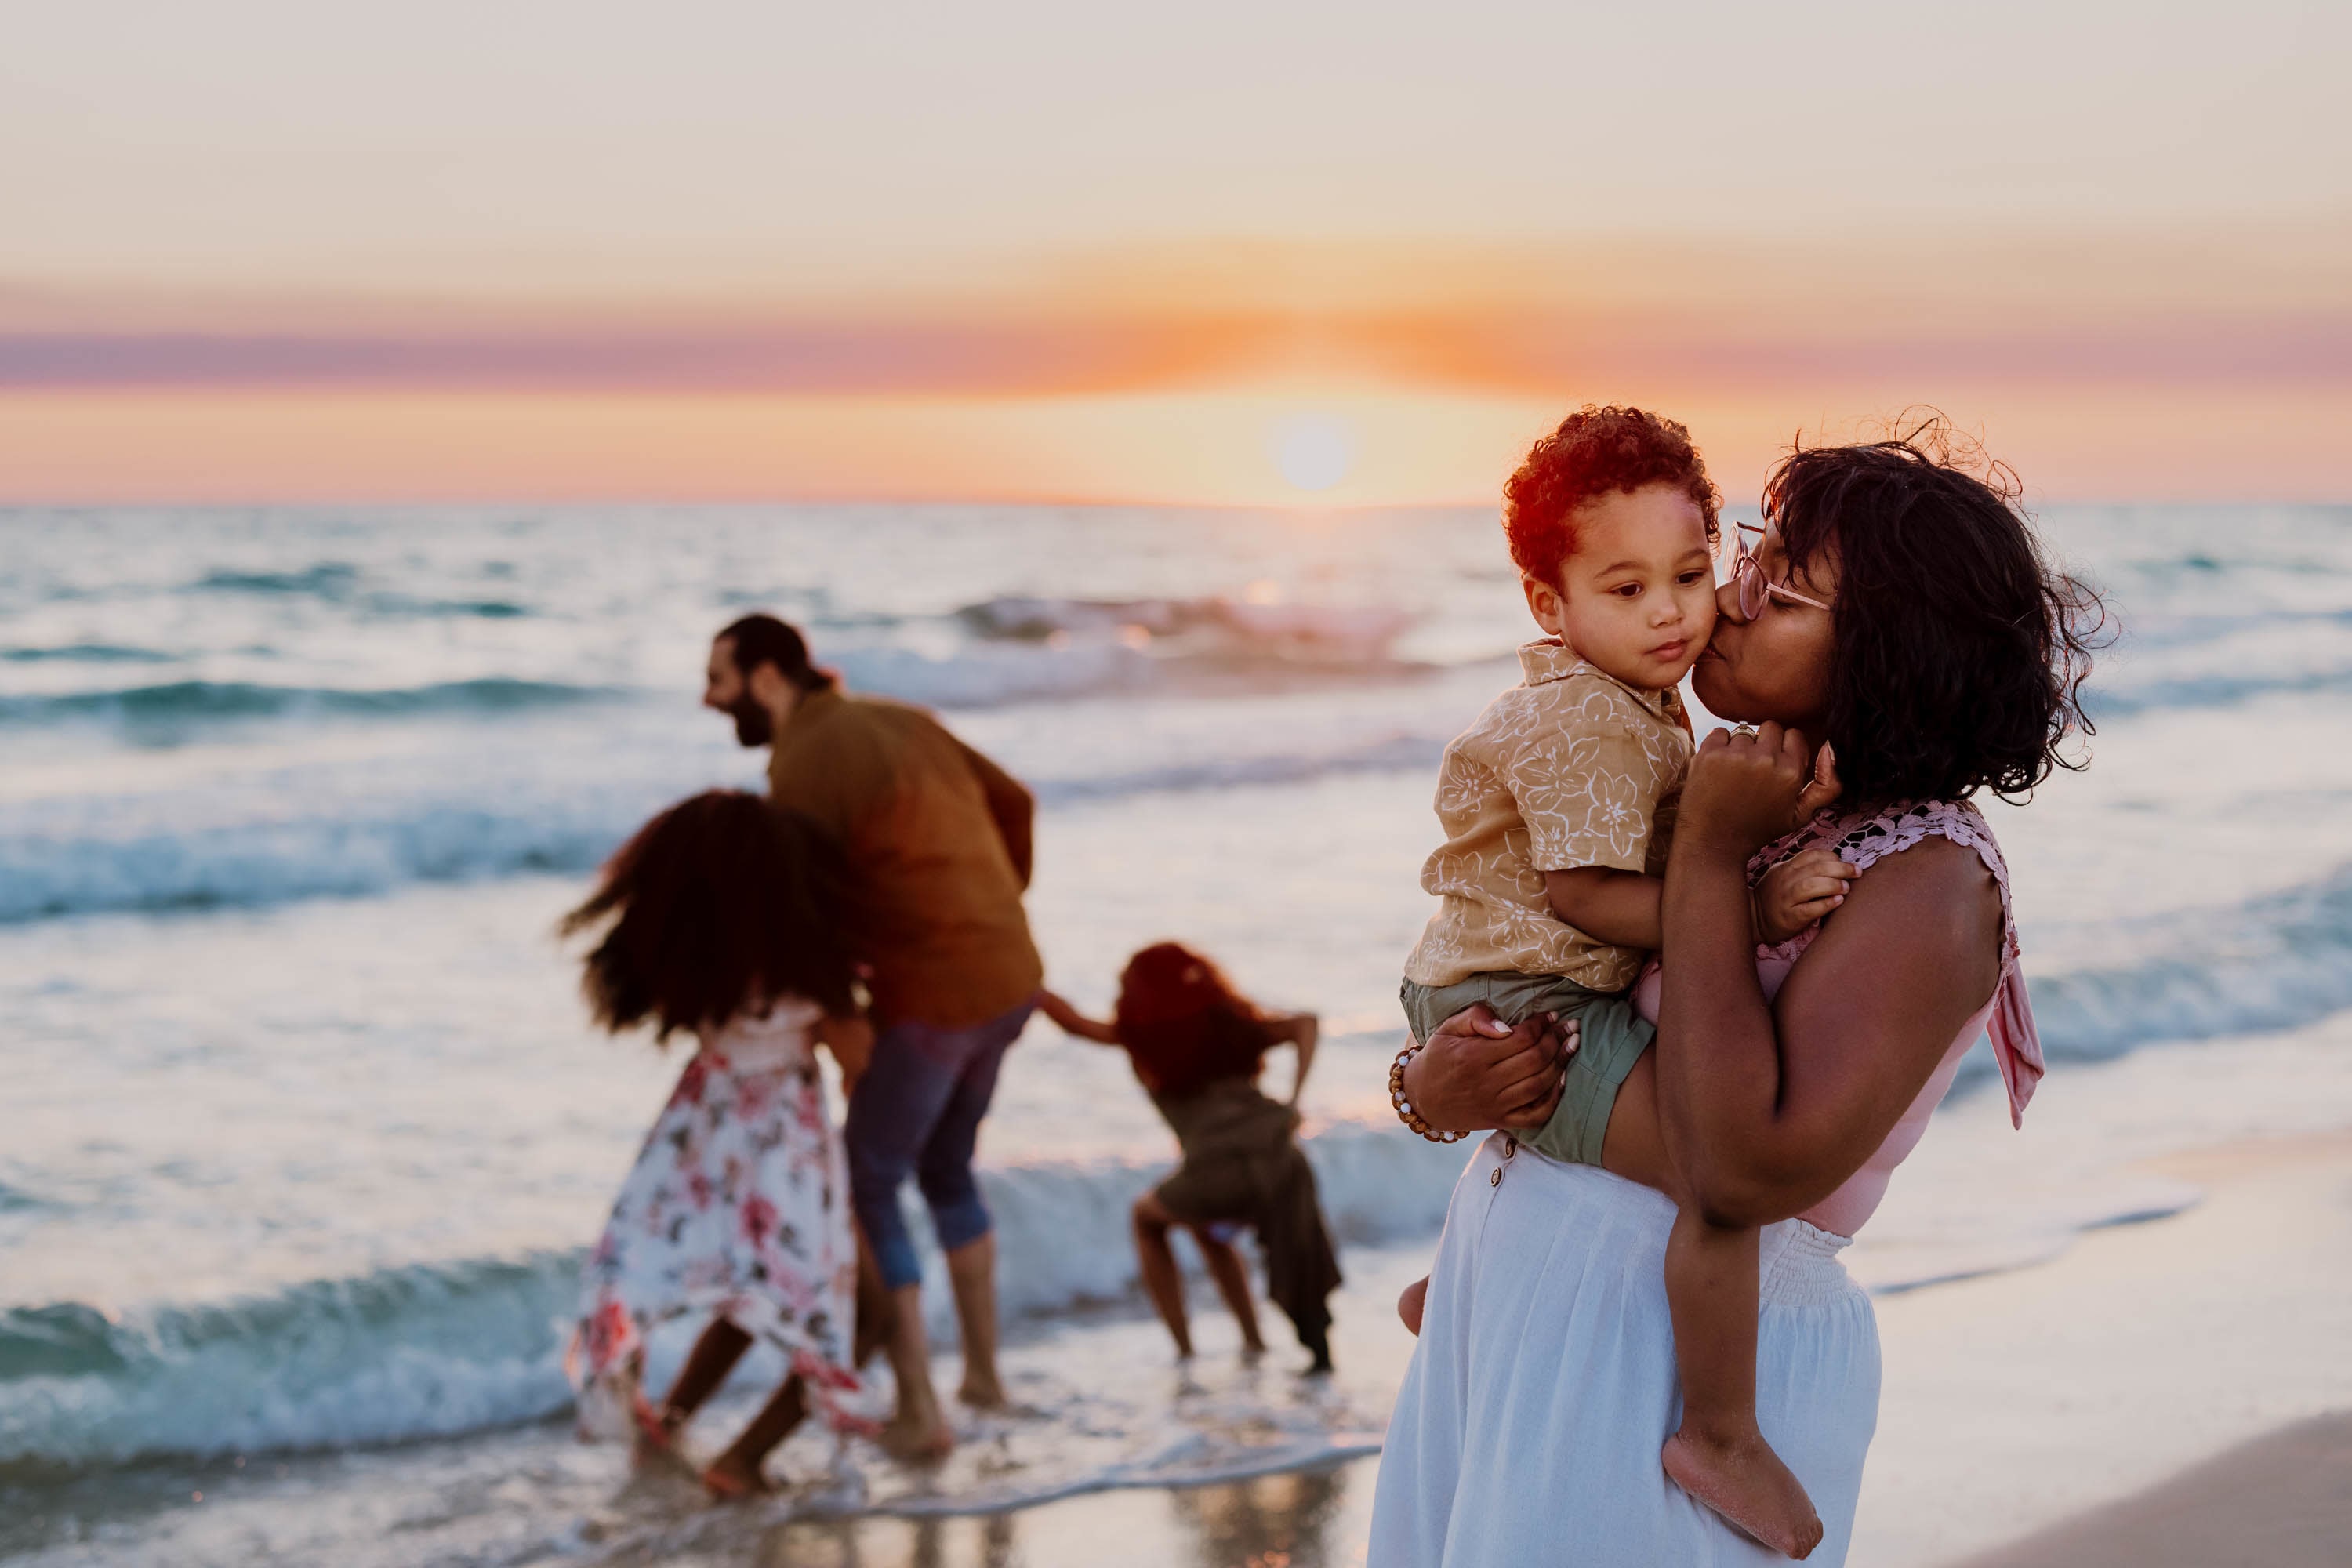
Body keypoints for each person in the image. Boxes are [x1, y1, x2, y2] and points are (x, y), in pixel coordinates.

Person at [1370, 419, 2100, 1566]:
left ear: (1889, 656)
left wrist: (1713, 857)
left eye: (1783, 591)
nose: (1729, 600)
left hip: (1665, 1375)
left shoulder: (1925, 881)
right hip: (1509, 1311)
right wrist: (1428, 1087)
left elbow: (1742, 1172)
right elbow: (1567, 984)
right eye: (1750, 559)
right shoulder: (1756, 800)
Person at [1394, 405, 1854, 1555]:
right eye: (1627, 588)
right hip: (1529, 990)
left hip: (1527, 978)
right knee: (1712, 1166)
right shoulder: (1589, 721)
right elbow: (1589, 898)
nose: (1671, 613)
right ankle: (1719, 1434)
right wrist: (1750, 905)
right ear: (1549, 606)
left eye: (1692, 576)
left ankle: (1454, 1286)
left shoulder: (1634, 698)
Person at [703, 613, 1043, 1459]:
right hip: (1011, 975)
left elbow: (801, 912)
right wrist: (990, 907)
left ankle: (921, 1407)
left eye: (719, 680)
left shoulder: (805, 761)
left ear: (768, 677)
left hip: (935, 999)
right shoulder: (900, 718)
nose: (710, 699)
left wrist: (838, 1011)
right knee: (947, 1168)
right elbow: (1016, 802)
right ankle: (985, 1379)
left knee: (868, 1181)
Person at [561, 791, 873, 1497]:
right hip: (781, 1147)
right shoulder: (810, 973)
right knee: (833, 1303)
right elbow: (859, 1061)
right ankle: (743, 1459)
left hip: (700, 1137)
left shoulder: (704, 964)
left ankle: (666, 1425)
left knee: (734, 1286)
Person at [1038, 943, 1342, 1373]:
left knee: (1146, 1219)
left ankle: (1184, 1349)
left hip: (1219, 1169)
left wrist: (1024, 984)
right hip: (1282, 1158)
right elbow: (1306, 1023)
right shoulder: (1230, 1023)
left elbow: (1074, 1024)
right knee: (1229, 1236)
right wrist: (1294, 1101)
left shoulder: (1141, 1036)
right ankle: (1261, 1343)